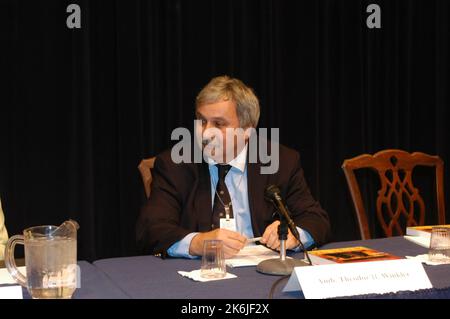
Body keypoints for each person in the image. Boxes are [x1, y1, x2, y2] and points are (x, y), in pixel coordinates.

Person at [136, 75, 331, 258]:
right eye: (202, 121)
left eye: (218, 124)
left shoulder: (280, 161)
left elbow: (316, 219)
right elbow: (151, 228)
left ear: (247, 130)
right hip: (202, 274)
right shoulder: (176, 164)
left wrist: (294, 235)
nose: (205, 133)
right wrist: (198, 242)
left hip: (262, 274)